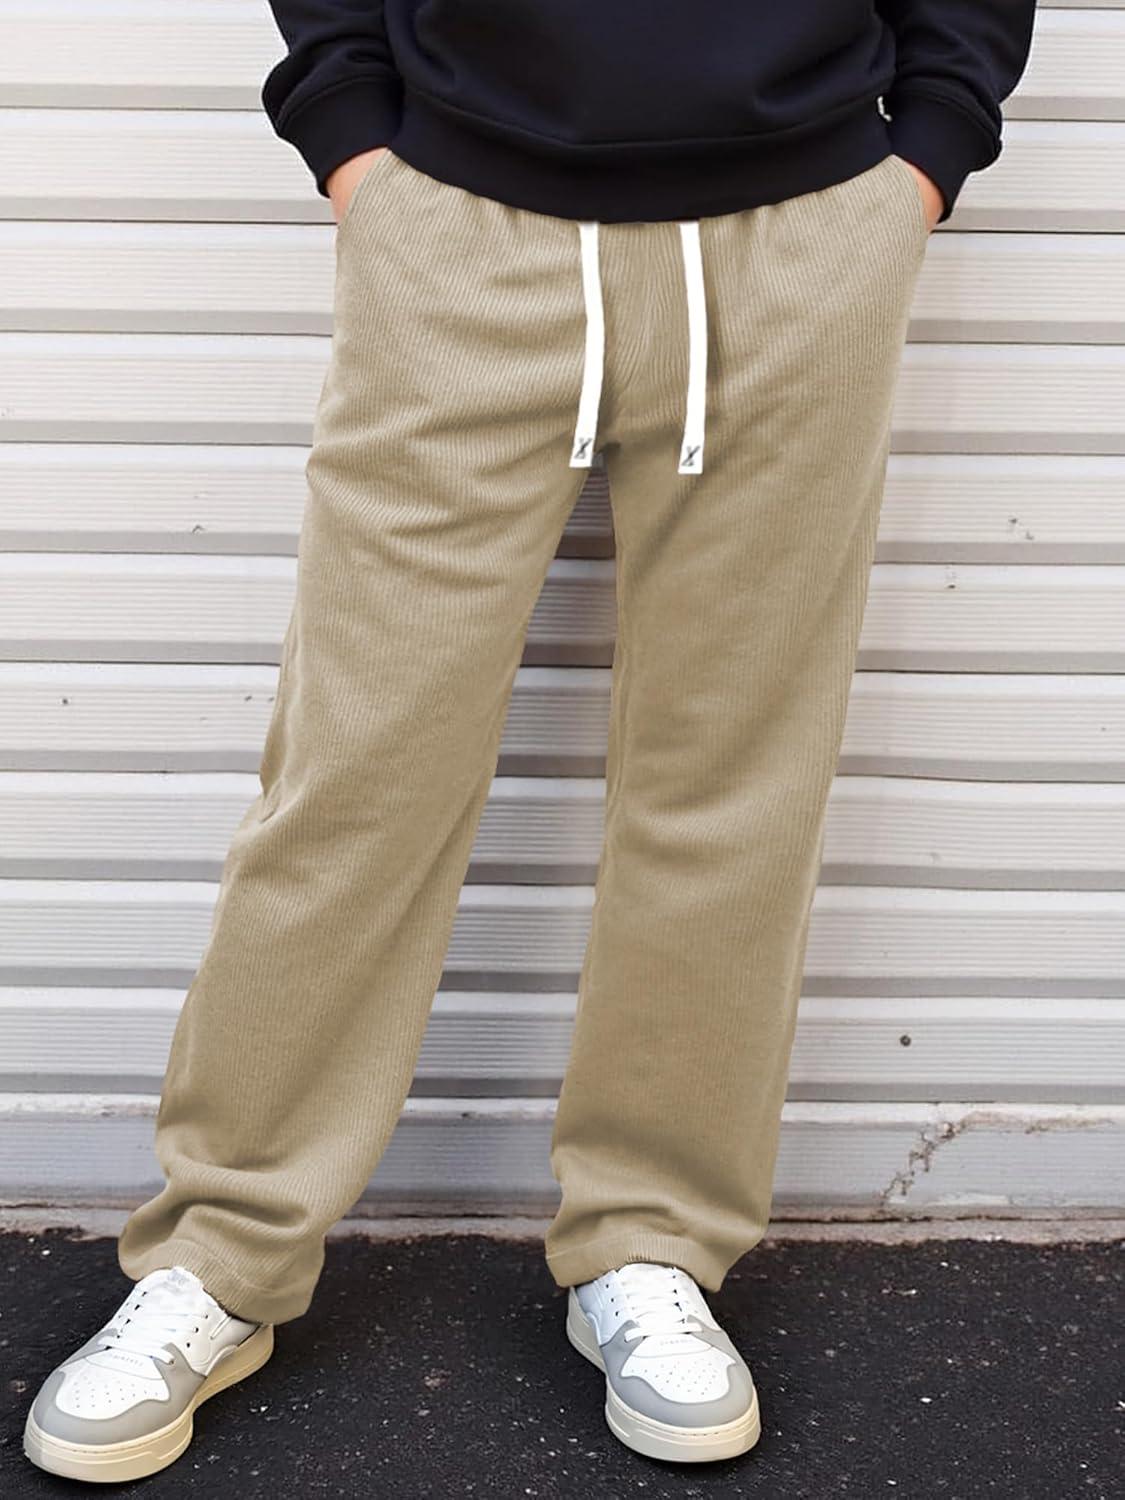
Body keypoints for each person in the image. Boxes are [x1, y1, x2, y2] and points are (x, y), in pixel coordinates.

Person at [24, 0, 1037, 1481]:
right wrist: (352, 136)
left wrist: (925, 155)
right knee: (356, 773)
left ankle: (652, 1240)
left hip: (801, 238)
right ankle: (223, 1252)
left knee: (728, 781)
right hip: (458, 224)